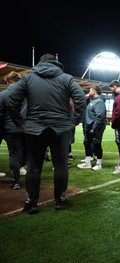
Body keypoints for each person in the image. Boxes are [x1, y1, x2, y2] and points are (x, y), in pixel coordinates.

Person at [7, 53, 86, 214]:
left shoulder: (28, 78)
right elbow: (80, 100)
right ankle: (61, 200)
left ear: (40, 63)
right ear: (56, 63)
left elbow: (11, 100)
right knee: (60, 166)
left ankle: (31, 203)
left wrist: (20, 122)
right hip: (60, 129)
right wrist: (73, 121)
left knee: (33, 167)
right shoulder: (66, 78)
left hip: (34, 129)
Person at [0, 71, 26, 190]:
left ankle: (15, 181)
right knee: (26, 153)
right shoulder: (27, 94)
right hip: (26, 128)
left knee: (14, 155)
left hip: (10, 128)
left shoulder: (4, 94)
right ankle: (29, 176)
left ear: (10, 80)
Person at [77, 86, 106, 171]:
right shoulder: (91, 101)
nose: (89, 92)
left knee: (97, 144)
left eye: (90, 90)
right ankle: (87, 163)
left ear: (94, 91)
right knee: (86, 143)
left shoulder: (99, 102)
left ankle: (99, 164)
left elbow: (99, 116)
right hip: (88, 127)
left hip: (94, 127)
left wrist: (94, 128)